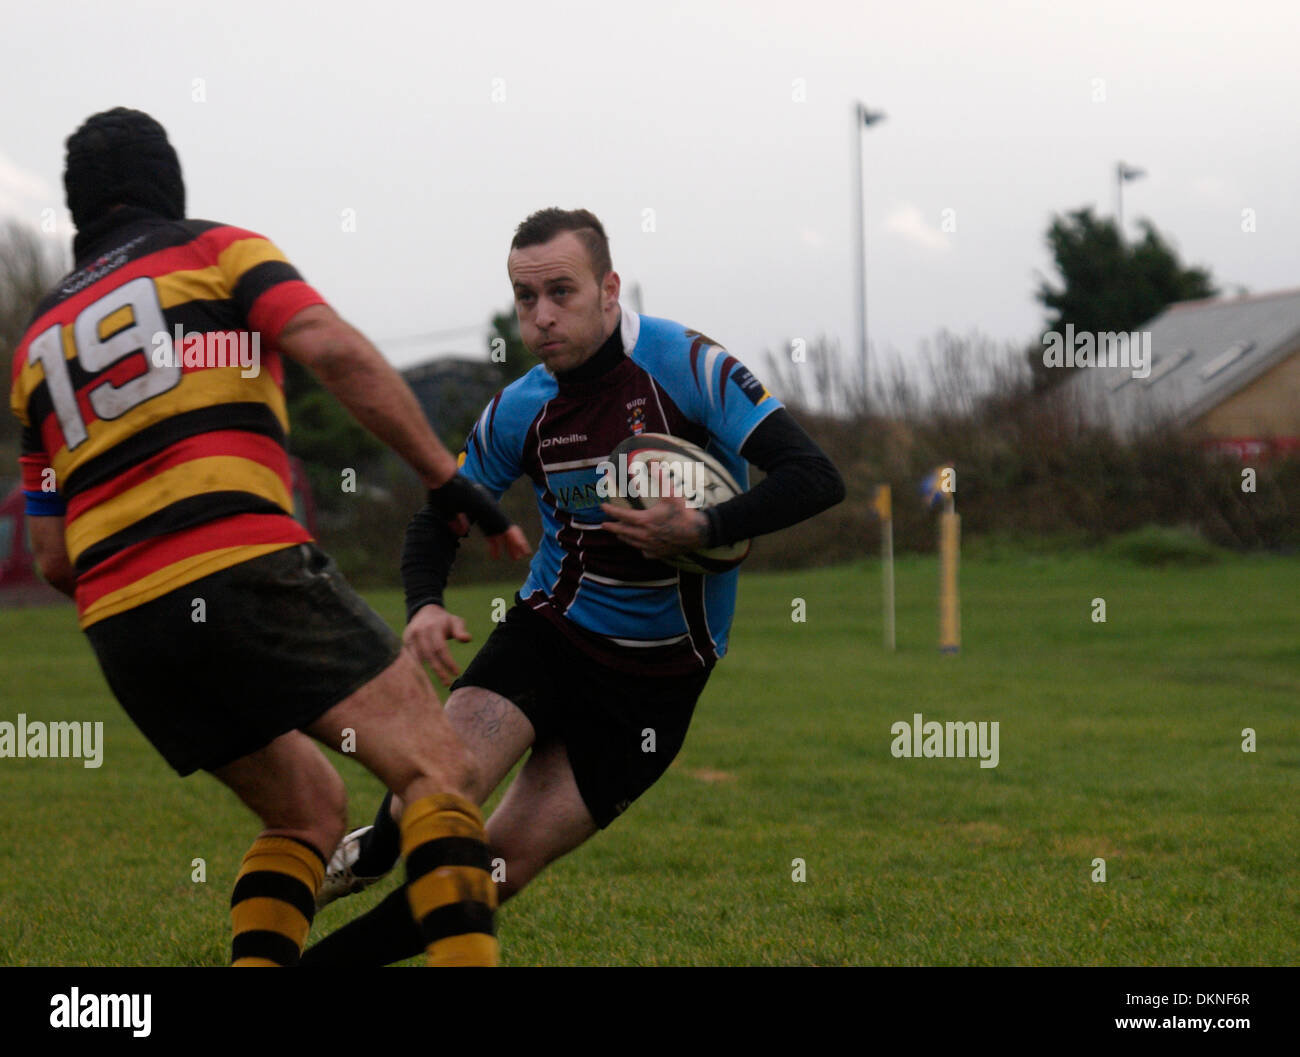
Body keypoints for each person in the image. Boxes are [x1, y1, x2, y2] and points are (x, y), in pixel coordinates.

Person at [7, 108, 530, 967]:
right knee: (438, 768)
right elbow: (329, 346)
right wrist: (445, 473)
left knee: (306, 814)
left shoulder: (35, 345)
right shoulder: (215, 251)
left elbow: (53, 554)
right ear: (168, 183)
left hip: (124, 625)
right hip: (239, 563)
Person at [301, 207, 844, 965]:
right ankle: (374, 846)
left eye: (562, 291)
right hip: (550, 635)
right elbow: (438, 518)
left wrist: (703, 529)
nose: (543, 315)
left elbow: (816, 477)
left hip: (658, 681)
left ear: (610, 287)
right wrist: (425, 603)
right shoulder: (523, 406)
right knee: (441, 788)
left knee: (496, 870)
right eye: (527, 299)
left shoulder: (688, 366)